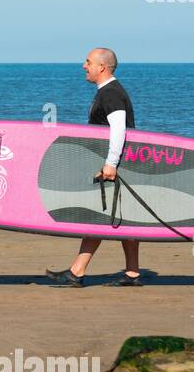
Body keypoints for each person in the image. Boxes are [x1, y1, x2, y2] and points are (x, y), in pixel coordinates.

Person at [46, 47, 143, 288]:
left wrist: (110, 164)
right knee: (122, 219)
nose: (83, 65)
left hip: (113, 167)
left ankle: (76, 272)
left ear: (102, 67)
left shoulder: (111, 93)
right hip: (118, 165)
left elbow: (119, 129)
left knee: (100, 218)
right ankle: (131, 273)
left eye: (88, 62)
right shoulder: (108, 91)